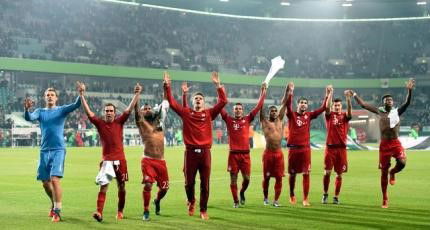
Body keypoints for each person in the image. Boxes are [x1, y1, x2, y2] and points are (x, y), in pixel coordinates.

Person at [164, 71, 227, 220]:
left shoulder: (209, 113)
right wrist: (167, 85)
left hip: (205, 153)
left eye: (200, 98)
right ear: (193, 102)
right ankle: (191, 200)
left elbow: (223, 102)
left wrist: (218, 85)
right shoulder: (186, 112)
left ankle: (203, 210)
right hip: (191, 153)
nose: (198, 100)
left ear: (204, 102)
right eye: (196, 98)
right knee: (188, 183)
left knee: (205, 184)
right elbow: (172, 102)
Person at [78, 81, 142, 221]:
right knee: (103, 187)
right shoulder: (100, 123)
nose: (108, 113)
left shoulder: (119, 121)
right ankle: (99, 212)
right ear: (104, 112)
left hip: (120, 161)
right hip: (107, 161)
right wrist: (82, 95)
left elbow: (129, 108)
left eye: (111, 111)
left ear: (114, 113)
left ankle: (120, 211)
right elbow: (88, 112)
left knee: (122, 187)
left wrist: (137, 94)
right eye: (106, 111)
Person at [351, 78, 415, 208]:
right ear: (383, 103)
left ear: (393, 102)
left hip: (395, 143)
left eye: (390, 100)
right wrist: (354, 95)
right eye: (386, 100)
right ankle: (385, 197)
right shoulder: (379, 111)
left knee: (402, 163)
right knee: (383, 172)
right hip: (384, 145)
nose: (389, 101)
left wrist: (409, 90)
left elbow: (407, 103)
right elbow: (364, 105)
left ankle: (394, 172)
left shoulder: (397, 111)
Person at [24, 85, 82, 222]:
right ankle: (53, 202)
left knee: (55, 179)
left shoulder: (61, 110)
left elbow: (76, 104)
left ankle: (57, 210)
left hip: (58, 150)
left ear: (56, 98)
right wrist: (26, 109)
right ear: (45, 98)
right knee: (45, 183)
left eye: (52, 94)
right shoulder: (40, 111)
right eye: (47, 94)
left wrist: (80, 93)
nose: (50, 96)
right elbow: (29, 118)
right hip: (44, 151)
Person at [220, 83, 267, 208]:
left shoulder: (247, 119)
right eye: (236, 109)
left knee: (247, 179)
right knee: (233, 179)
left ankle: (241, 192)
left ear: (242, 110)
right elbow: (220, 107)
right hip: (233, 155)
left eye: (240, 109)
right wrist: (220, 90)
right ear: (233, 110)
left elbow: (258, 107)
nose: (238, 110)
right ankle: (235, 201)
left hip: (245, 155)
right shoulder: (228, 119)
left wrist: (263, 92)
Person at [286, 82, 329, 206]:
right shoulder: (292, 114)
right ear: (298, 104)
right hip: (293, 150)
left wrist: (327, 95)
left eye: (305, 103)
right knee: (292, 174)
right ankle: (292, 194)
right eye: (301, 103)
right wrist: (291, 92)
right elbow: (287, 105)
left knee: (306, 173)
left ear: (307, 105)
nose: (303, 104)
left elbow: (322, 108)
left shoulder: (309, 116)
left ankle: (305, 198)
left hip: (305, 149)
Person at [135, 97, 170, 221]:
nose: (148, 110)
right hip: (148, 160)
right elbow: (136, 112)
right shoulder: (141, 123)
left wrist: (166, 87)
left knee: (165, 188)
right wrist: (137, 96)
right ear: (141, 112)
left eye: (149, 108)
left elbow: (166, 103)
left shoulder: (159, 121)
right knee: (148, 185)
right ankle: (146, 211)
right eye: (145, 109)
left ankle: (157, 200)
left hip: (161, 161)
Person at [322, 88, 352, 205]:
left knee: (339, 174)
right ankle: (325, 194)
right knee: (327, 173)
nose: (337, 107)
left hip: (341, 149)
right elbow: (327, 107)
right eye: (335, 105)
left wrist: (348, 99)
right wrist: (330, 94)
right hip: (330, 148)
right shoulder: (329, 116)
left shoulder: (345, 116)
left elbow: (349, 112)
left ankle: (336, 197)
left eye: (338, 105)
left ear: (341, 106)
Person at [259, 84, 287, 207]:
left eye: (276, 110)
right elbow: (260, 107)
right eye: (272, 111)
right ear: (268, 112)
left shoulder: (280, 121)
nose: (274, 112)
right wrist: (263, 92)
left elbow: (285, 104)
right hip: (268, 154)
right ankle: (265, 198)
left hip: (279, 154)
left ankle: (276, 201)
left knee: (279, 178)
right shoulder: (265, 122)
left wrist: (288, 90)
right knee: (267, 178)